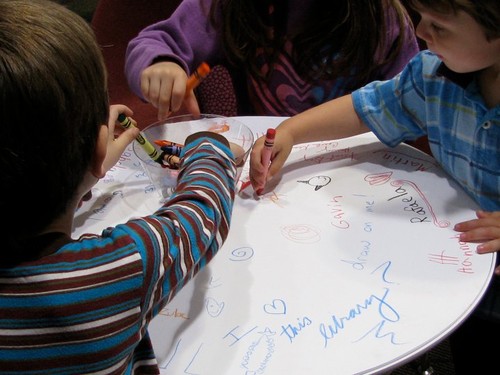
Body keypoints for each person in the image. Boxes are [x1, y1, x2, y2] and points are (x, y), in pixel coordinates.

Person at [249, 0, 499, 372]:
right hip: (466, 284)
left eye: (440, 27)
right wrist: (291, 131)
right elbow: (367, 107)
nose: (420, 32)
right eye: (420, 18)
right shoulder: (434, 75)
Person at [0, 0, 240, 374]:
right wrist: (210, 146)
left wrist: (85, 169)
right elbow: (201, 215)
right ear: (99, 149)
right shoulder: (120, 269)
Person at [124, 0, 420, 121]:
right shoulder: (228, 5)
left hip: (354, 177)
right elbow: (154, 42)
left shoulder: (382, 18)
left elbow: (415, 99)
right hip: (263, 169)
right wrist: (161, 64)